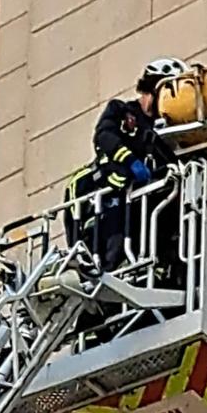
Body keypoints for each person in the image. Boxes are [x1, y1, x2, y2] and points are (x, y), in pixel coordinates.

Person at [63, 57, 189, 272]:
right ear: (152, 89)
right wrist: (130, 161)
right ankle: (84, 260)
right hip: (107, 189)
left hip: (142, 203)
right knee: (110, 233)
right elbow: (104, 136)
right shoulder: (122, 111)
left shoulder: (165, 132)